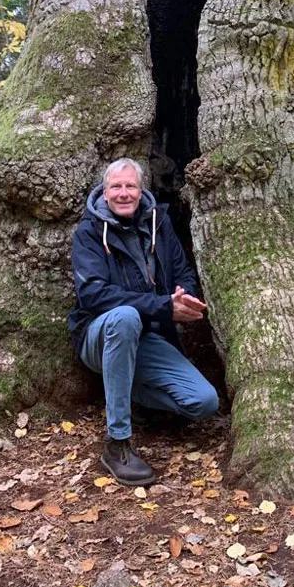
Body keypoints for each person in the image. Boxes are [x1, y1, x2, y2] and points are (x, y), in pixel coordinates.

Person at [68, 158, 219, 486]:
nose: (124, 193)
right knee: (125, 316)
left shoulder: (159, 223)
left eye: (130, 186)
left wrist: (184, 298)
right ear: (104, 193)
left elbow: (181, 271)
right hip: (98, 334)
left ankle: (125, 391)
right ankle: (117, 443)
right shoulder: (89, 232)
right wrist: (164, 306)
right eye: (116, 187)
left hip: (147, 337)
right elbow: (93, 295)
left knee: (204, 402)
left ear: (141, 190)